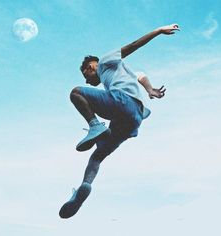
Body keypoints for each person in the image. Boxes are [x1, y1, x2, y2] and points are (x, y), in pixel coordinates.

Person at [59, 23, 180, 219]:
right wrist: (150, 90)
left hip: (122, 102)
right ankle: (84, 187)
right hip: (133, 119)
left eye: (86, 75)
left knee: (76, 93)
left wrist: (158, 31)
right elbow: (140, 75)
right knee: (97, 156)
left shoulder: (106, 61)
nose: (88, 80)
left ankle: (95, 126)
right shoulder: (120, 73)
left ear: (91, 66)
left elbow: (133, 45)